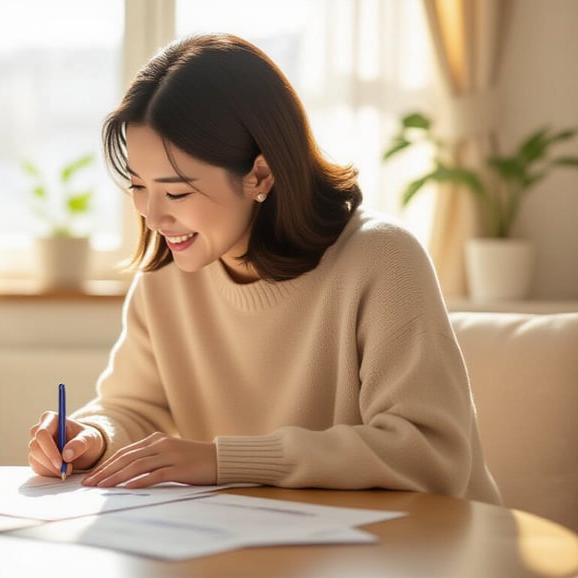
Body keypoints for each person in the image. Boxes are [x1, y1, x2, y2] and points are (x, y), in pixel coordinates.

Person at [27, 33, 500, 503]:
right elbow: (137, 407)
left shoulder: (382, 259)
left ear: (260, 175)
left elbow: (428, 453)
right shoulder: (167, 275)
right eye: (137, 186)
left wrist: (223, 461)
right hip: (268, 532)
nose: (152, 216)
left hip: (428, 536)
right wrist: (95, 435)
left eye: (176, 192)